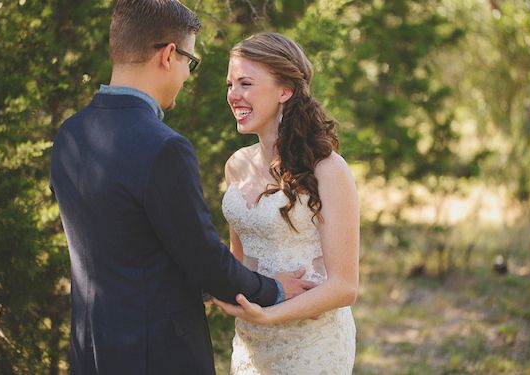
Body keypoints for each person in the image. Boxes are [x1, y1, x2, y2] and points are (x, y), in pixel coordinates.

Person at [49, 2, 313, 374]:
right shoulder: (163, 147)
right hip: (157, 354)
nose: (187, 76)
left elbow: (125, 243)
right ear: (169, 55)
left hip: (89, 350)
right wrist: (275, 290)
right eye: (190, 61)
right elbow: (204, 259)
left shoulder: (69, 135)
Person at [213, 32, 359, 374]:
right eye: (230, 84)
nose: (234, 95)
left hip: (312, 344)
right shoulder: (235, 165)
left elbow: (345, 286)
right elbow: (239, 263)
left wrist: (267, 313)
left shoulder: (328, 169)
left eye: (245, 83)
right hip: (250, 342)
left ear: (285, 90)